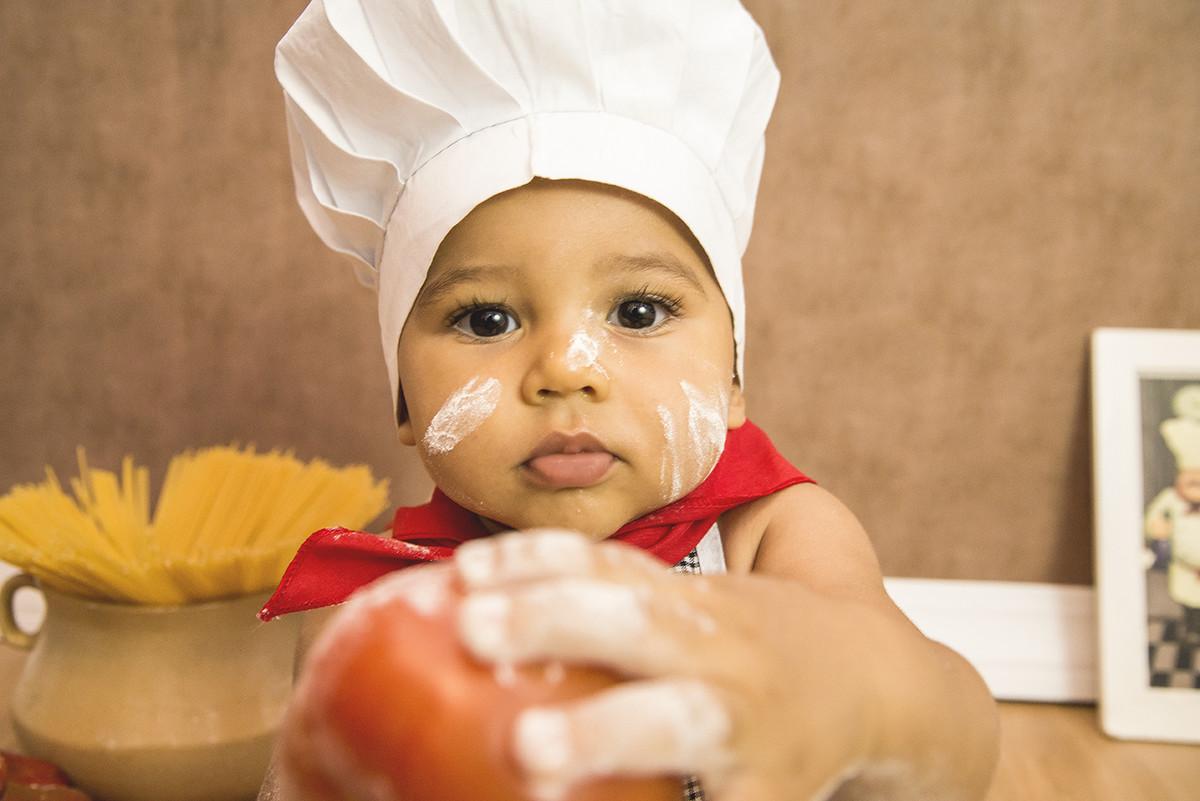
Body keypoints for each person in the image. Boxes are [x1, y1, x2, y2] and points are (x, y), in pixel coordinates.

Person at [258, 0, 1000, 799]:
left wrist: (842, 676)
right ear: (402, 400)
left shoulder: (769, 536)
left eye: (638, 311)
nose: (568, 369)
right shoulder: (378, 602)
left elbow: (955, 731)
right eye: (486, 318)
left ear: (735, 377)